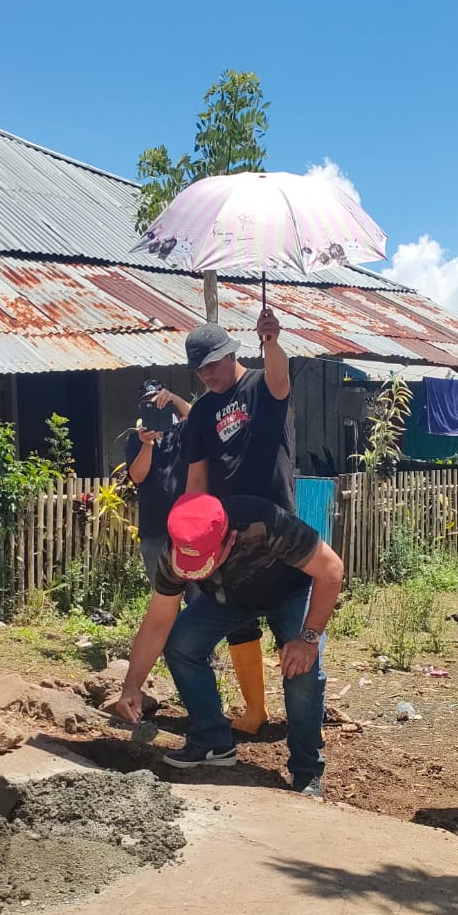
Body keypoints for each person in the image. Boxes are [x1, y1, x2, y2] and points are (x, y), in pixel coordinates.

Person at [113, 491, 342, 799]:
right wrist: (132, 685)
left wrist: (308, 638)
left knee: (302, 670)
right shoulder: (174, 551)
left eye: (203, 565)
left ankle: (306, 769)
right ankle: (213, 742)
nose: (195, 574)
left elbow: (331, 569)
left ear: (229, 540)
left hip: (292, 592)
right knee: (181, 644)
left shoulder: (266, 522)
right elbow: (157, 624)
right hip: (231, 598)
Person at [181, 309, 294, 735]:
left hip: (278, 526)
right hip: (228, 535)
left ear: (231, 354)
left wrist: (272, 342)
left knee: (289, 625)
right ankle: (255, 711)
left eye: (213, 364)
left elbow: (280, 377)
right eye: (200, 370)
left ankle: (304, 719)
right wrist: (194, 531)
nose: (208, 375)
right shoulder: (200, 413)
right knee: (240, 623)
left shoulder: (261, 385)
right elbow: (197, 479)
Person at [125, 382, 191, 586]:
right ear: (141, 408)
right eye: (148, 403)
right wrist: (147, 445)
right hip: (154, 530)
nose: (154, 406)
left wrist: (176, 399)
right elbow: (137, 476)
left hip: (187, 528)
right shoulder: (135, 440)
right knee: (162, 591)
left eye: (158, 401)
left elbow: (201, 419)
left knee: (197, 591)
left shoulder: (181, 432)